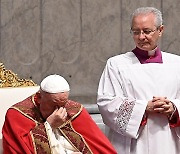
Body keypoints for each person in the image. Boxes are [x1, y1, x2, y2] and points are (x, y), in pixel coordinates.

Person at [97, 6, 180, 154]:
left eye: (147, 31)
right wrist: (143, 108)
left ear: (160, 30)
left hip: (169, 142)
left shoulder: (177, 64)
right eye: (136, 32)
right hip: (134, 144)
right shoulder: (116, 65)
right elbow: (106, 103)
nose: (141, 37)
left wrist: (173, 108)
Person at [2, 74, 117, 154]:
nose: (59, 111)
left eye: (63, 103)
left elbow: (100, 148)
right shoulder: (17, 114)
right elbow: (19, 149)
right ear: (38, 98)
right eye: (53, 104)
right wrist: (49, 125)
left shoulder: (74, 110)